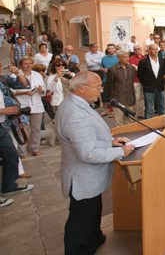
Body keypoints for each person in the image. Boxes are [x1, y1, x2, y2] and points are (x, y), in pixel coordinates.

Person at [56, 72, 134, 254]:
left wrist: (110, 142)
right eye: (98, 87)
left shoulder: (75, 103)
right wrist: (120, 151)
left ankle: (94, 239)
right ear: (82, 89)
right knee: (81, 220)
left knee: (91, 213)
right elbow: (88, 153)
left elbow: (86, 139)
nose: (101, 90)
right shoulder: (76, 114)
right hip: (83, 177)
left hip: (87, 177)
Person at [0, 60, 34, 208]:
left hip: (4, 124)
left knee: (12, 156)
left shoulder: (3, 79)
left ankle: (9, 185)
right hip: (3, 118)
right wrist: (2, 111)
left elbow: (24, 85)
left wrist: (19, 73)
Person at [12, 57, 48, 156]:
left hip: (37, 106)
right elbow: (11, 92)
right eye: (25, 63)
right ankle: (22, 151)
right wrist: (25, 92)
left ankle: (35, 148)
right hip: (22, 107)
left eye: (30, 63)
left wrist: (41, 90)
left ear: (33, 64)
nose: (28, 65)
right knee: (22, 129)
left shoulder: (37, 75)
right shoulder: (14, 76)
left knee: (36, 129)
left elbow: (44, 90)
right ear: (21, 65)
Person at [105, 50, 136, 126]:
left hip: (130, 99)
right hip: (117, 100)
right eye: (125, 57)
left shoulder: (132, 68)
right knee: (119, 124)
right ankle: (120, 138)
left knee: (130, 123)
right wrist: (109, 101)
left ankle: (130, 138)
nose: (127, 58)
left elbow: (131, 83)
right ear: (119, 58)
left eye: (128, 56)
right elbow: (108, 85)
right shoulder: (112, 70)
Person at [137, 43, 165, 119]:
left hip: (160, 87)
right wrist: (146, 84)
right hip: (149, 88)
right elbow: (140, 75)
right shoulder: (143, 62)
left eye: (157, 49)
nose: (156, 51)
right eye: (153, 49)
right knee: (149, 108)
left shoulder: (162, 60)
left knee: (162, 107)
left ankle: (163, 123)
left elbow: (163, 73)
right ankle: (149, 124)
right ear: (149, 51)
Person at [129, 45, 146, 118]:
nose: (137, 50)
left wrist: (138, 67)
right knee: (136, 97)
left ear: (141, 49)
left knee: (142, 97)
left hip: (144, 81)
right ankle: (135, 113)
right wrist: (141, 68)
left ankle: (141, 113)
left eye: (138, 49)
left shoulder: (145, 57)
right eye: (135, 49)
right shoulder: (131, 58)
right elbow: (133, 68)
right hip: (135, 80)